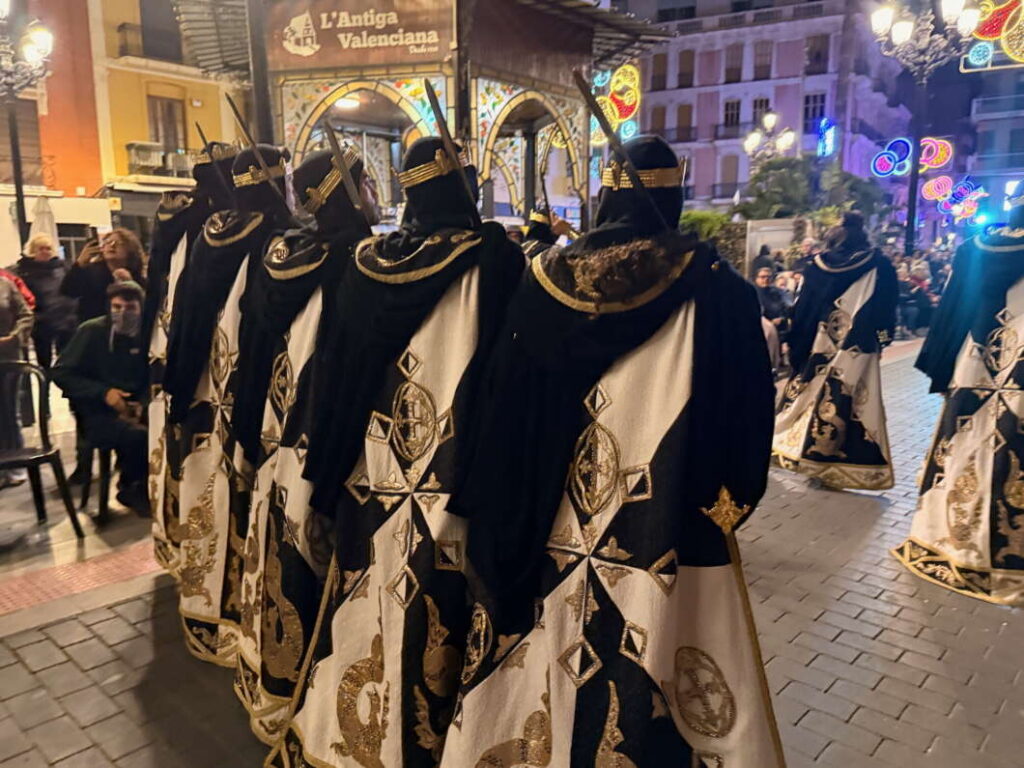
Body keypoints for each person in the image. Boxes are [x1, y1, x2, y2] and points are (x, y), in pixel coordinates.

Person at [436, 136, 782, 767]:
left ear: (605, 197)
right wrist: (722, 515)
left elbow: (499, 406)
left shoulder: (542, 280)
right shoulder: (718, 289)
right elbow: (748, 420)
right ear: (672, 195)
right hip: (661, 529)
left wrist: (500, 510)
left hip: (543, 520)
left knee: (542, 653)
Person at [267, 137, 524, 767]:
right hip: (450, 472)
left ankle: (356, 730)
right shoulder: (492, 258)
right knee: (444, 607)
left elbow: (336, 378)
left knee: (368, 591)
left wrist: (329, 473)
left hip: (373, 469)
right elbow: (509, 383)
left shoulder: (365, 262)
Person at [231, 145, 376, 743]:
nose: (373, 194)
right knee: (316, 559)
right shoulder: (356, 260)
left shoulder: (287, 253)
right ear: (344, 190)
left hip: (279, 424)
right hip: (323, 433)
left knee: (280, 542)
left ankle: (271, 671)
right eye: (365, 182)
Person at [167, 143, 294, 667]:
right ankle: (241, 618)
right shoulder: (277, 239)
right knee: (244, 502)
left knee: (208, 497)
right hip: (250, 390)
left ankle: (203, 607)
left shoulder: (210, 234)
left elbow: (184, 313)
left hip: (205, 387)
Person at [894, 180, 1024, 605]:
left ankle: (952, 535)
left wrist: (940, 366)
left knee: (965, 445)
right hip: (1019, 363)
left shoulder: (974, 249)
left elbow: (953, 309)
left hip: (974, 361)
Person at [147, 141, 238, 573]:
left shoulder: (175, 221)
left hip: (170, 353)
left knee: (180, 455)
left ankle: (179, 542)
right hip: (211, 362)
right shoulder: (221, 227)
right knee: (208, 463)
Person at [773, 212, 898, 490]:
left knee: (809, 394)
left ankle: (799, 452)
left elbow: (802, 307)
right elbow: (887, 308)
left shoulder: (816, 266)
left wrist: (797, 343)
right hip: (858, 344)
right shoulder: (880, 265)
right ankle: (838, 464)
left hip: (817, 342)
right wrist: (882, 339)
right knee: (849, 401)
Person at [51, 281, 148, 515]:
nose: (123, 313)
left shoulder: (147, 333)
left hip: (138, 408)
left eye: (130, 308)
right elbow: (61, 373)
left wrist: (142, 404)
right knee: (139, 437)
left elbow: (153, 372)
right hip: (98, 413)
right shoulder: (92, 331)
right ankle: (131, 487)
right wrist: (104, 393)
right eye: (117, 307)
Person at [14, 234, 77, 370]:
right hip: (40, 322)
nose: (45, 252)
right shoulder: (23, 271)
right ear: (33, 251)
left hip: (64, 319)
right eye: (41, 248)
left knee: (66, 359)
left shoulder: (63, 267)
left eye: (48, 248)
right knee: (43, 361)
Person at [61, 228, 147, 323]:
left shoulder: (137, 276)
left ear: (131, 249)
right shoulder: (91, 272)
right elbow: (68, 291)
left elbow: (145, 304)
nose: (112, 246)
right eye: (108, 242)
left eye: (119, 243)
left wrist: (130, 284)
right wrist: (79, 264)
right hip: (94, 326)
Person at [0, 274, 32, 489]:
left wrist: (14, 336)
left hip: (7, 356)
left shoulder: (5, 284)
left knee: (10, 413)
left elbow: (25, 314)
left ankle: (15, 465)